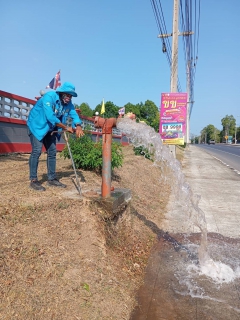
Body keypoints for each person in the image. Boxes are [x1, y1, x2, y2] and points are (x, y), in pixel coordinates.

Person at [27, 82, 84, 191]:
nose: (69, 98)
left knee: (52, 152)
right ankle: (33, 180)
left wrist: (78, 125)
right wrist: (65, 127)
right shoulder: (49, 97)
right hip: (37, 126)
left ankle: (51, 179)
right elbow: (50, 116)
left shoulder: (68, 103)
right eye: (67, 95)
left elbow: (74, 114)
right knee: (37, 151)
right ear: (61, 93)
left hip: (50, 129)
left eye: (71, 96)